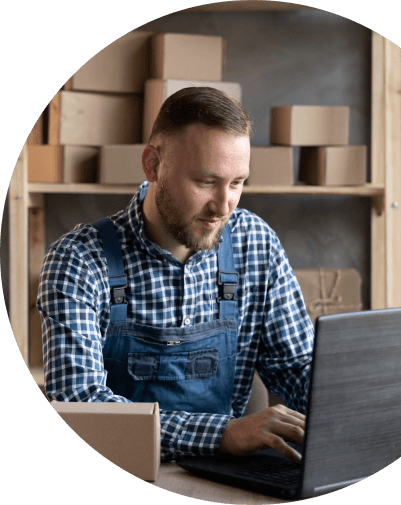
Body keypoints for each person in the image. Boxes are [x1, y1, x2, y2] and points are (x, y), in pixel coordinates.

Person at [37, 87, 314, 463]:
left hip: (223, 477)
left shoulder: (256, 243)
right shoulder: (78, 261)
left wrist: (349, 406)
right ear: (152, 165)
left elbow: (297, 366)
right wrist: (222, 434)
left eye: (237, 183)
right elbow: (81, 406)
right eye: (205, 182)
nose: (223, 206)